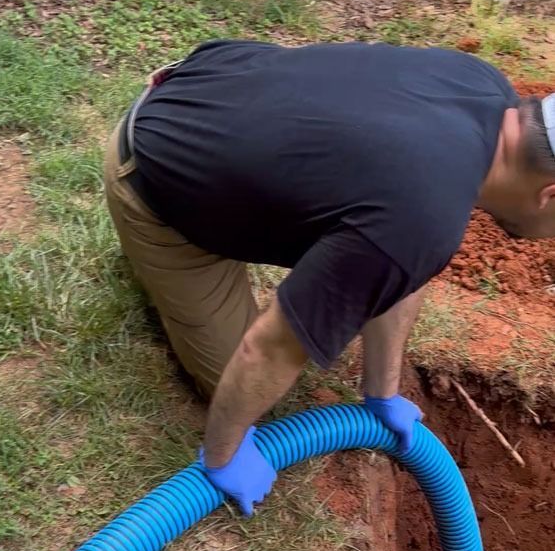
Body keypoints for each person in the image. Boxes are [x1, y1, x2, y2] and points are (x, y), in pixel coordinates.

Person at [104, 40, 555, 515]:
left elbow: (403, 264)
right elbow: (272, 347)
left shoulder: (481, 85)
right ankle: (155, 248)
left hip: (222, 90)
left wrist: (382, 393)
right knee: (236, 388)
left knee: (379, 241)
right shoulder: (421, 213)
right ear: (550, 194)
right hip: (156, 161)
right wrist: (223, 455)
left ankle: (223, 197)